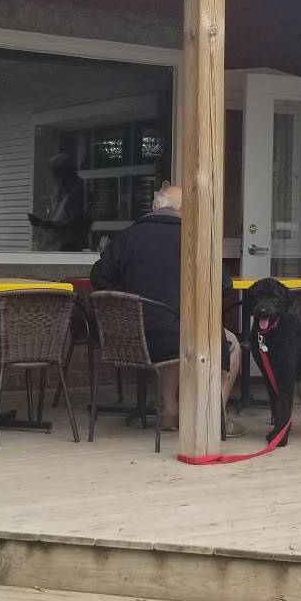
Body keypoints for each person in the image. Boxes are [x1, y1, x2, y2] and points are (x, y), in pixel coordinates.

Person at [89, 183, 243, 434]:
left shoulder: (127, 236)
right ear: (183, 210)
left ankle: (169, 412)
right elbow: (224, 286)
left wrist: (131, 289)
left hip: (132, 336)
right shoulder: (196, 237)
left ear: (155, 207)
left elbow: (99, 277)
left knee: (173, 334)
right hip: (176, 335)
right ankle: (214, 419)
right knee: (231, 345)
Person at [28, 151, 87, 251]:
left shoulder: (77, 193)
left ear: (65, 172)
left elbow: (74, 224)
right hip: (60, 246)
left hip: (71, 248)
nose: (55, 179)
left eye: (56, 173)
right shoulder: (65, 193)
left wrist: (44, 224)